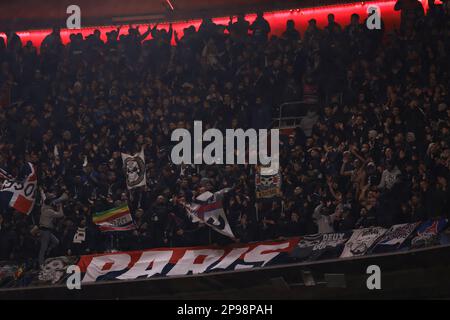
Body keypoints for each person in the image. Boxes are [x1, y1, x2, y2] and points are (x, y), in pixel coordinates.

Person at [38, 198, 64, 266]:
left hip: (46, 230)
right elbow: (61, 215)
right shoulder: (49, 211)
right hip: (45, 230)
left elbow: (44, 201)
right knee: (43, 248)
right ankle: (41, 264)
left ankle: (48, 251)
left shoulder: (43, 208)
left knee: (56, 242)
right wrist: (60, 206)